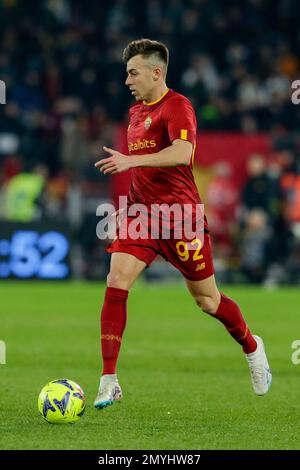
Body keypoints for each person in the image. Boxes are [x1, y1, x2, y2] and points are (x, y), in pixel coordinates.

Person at [94, 39, 271, 409]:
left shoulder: (178, 106)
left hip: (181, 219)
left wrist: (130, 162)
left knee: (207, 300)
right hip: (141, 215)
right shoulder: (135, 113)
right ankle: (109, 379)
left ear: (156, 72)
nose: (127, 80)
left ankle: (252, 347)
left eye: (133, 72)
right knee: (116, 280)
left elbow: (183, 153)